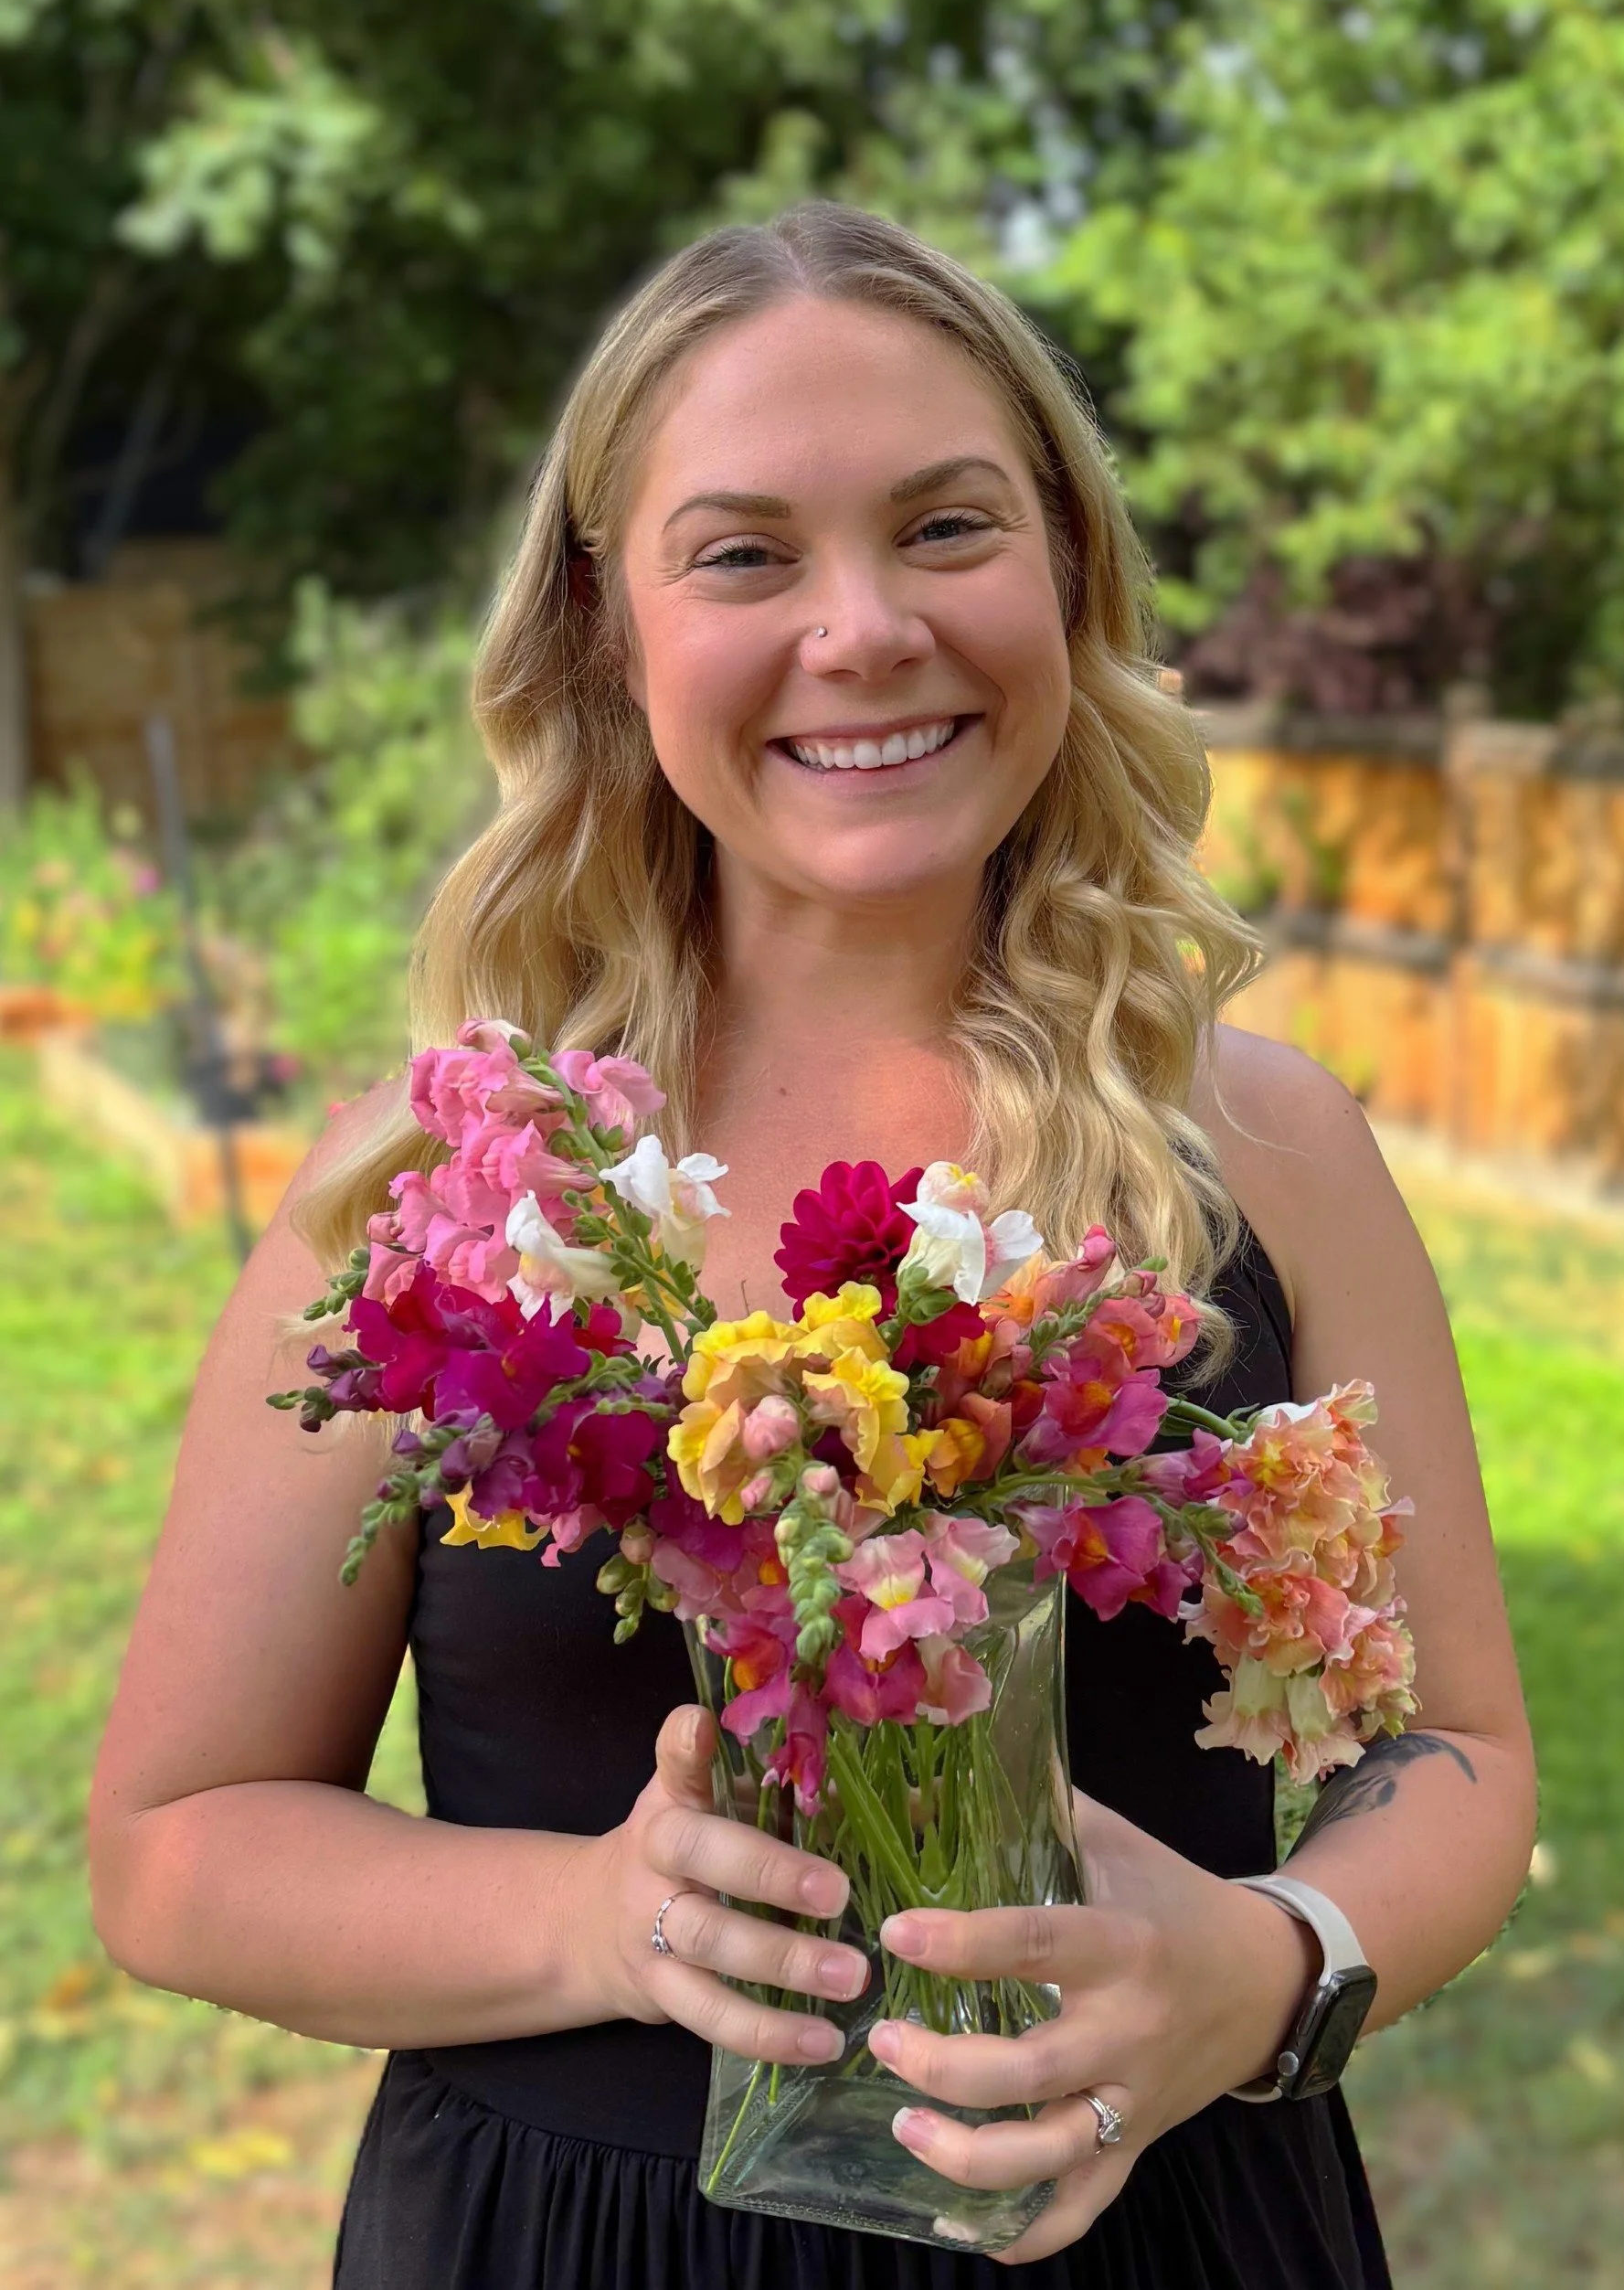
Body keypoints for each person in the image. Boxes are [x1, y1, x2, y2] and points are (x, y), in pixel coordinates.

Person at [89, 203, 1536, 2289]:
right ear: (607, 626)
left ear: (1062, 562)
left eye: (944, 527)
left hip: (1173, 2239)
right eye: (743, 553)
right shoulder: (449, 1195)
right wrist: (594, 1920)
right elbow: (174, 1848)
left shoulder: (1262, 1148)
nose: (859, 630)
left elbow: (1460, 1756)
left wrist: (1264, 1962)